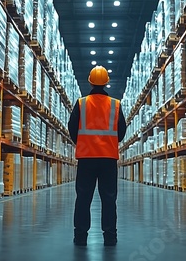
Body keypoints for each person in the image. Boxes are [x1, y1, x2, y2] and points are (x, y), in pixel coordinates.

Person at [68, 65, 127, 246]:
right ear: (107, 83)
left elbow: (72, 128)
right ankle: (110, 237)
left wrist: (84, 143)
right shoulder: (115, 105)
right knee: (109, 199)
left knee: (83, 198)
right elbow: (122, 131)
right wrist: (108, 143)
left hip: (86, 158)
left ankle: (80, 237)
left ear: (90, 82)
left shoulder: (81, 103)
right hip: (108, 158)